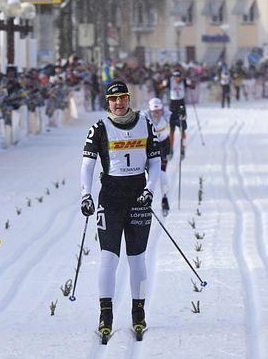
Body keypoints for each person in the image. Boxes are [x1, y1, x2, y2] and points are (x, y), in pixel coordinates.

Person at [80, 81, 160, 343]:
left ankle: (139, 313)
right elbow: (87, 164)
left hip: (138, 196)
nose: (119, 103)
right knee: (108, 258)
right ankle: (106, 315)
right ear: (107, 102)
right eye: (113, 99)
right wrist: (85, 194)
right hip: (111, 198)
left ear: (129, 99)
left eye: (123, 97)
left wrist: (149, 189)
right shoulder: (99, 128)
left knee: (137, 259)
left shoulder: (145, 123)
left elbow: (156, 161)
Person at [141, 97, 172, 216]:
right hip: (148, 147)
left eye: (159, 110)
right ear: (150, 110)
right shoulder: (144, 115)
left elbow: (176, 118)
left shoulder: (166, 114)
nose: (157, 113)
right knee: (147, 175)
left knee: (162, 173)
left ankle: (165, 199)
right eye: (154, 111)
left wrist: (181, 120)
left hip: (163, 145)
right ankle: (145, 198)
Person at [160, 70, 193, 159]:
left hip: (181, 106)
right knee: (171, 130)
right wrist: (163, 84)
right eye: (175, 77)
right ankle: (170, 148)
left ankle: (183, 148)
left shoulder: (184, 81)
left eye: (178, 76)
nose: (176, 79)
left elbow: (192, 87)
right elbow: (160, 88)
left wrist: (190, 84)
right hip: (172, 107)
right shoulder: (169, 81)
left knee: (182, 129)